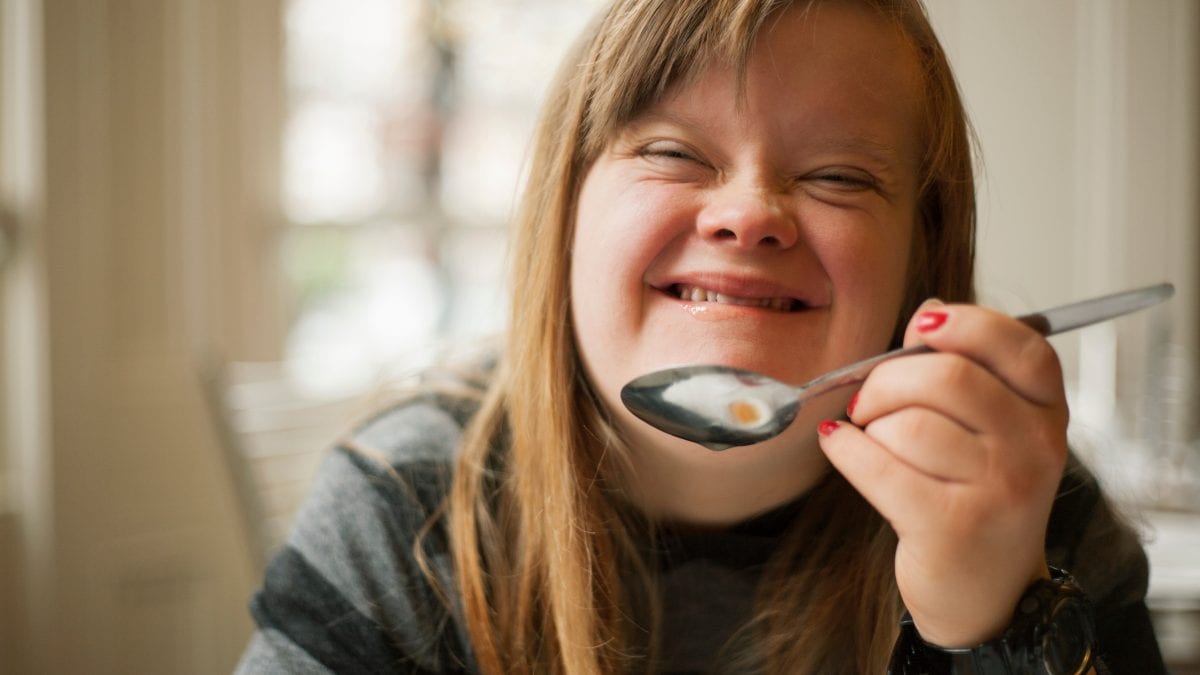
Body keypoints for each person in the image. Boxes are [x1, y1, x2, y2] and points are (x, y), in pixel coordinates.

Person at [236, 0, 1167, 672]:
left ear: (921, 259)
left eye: (840, 176)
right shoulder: (411, 506)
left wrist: (995, 620)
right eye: (674, 151)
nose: (751, 213)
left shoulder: (1030, 519)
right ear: (563, 212)